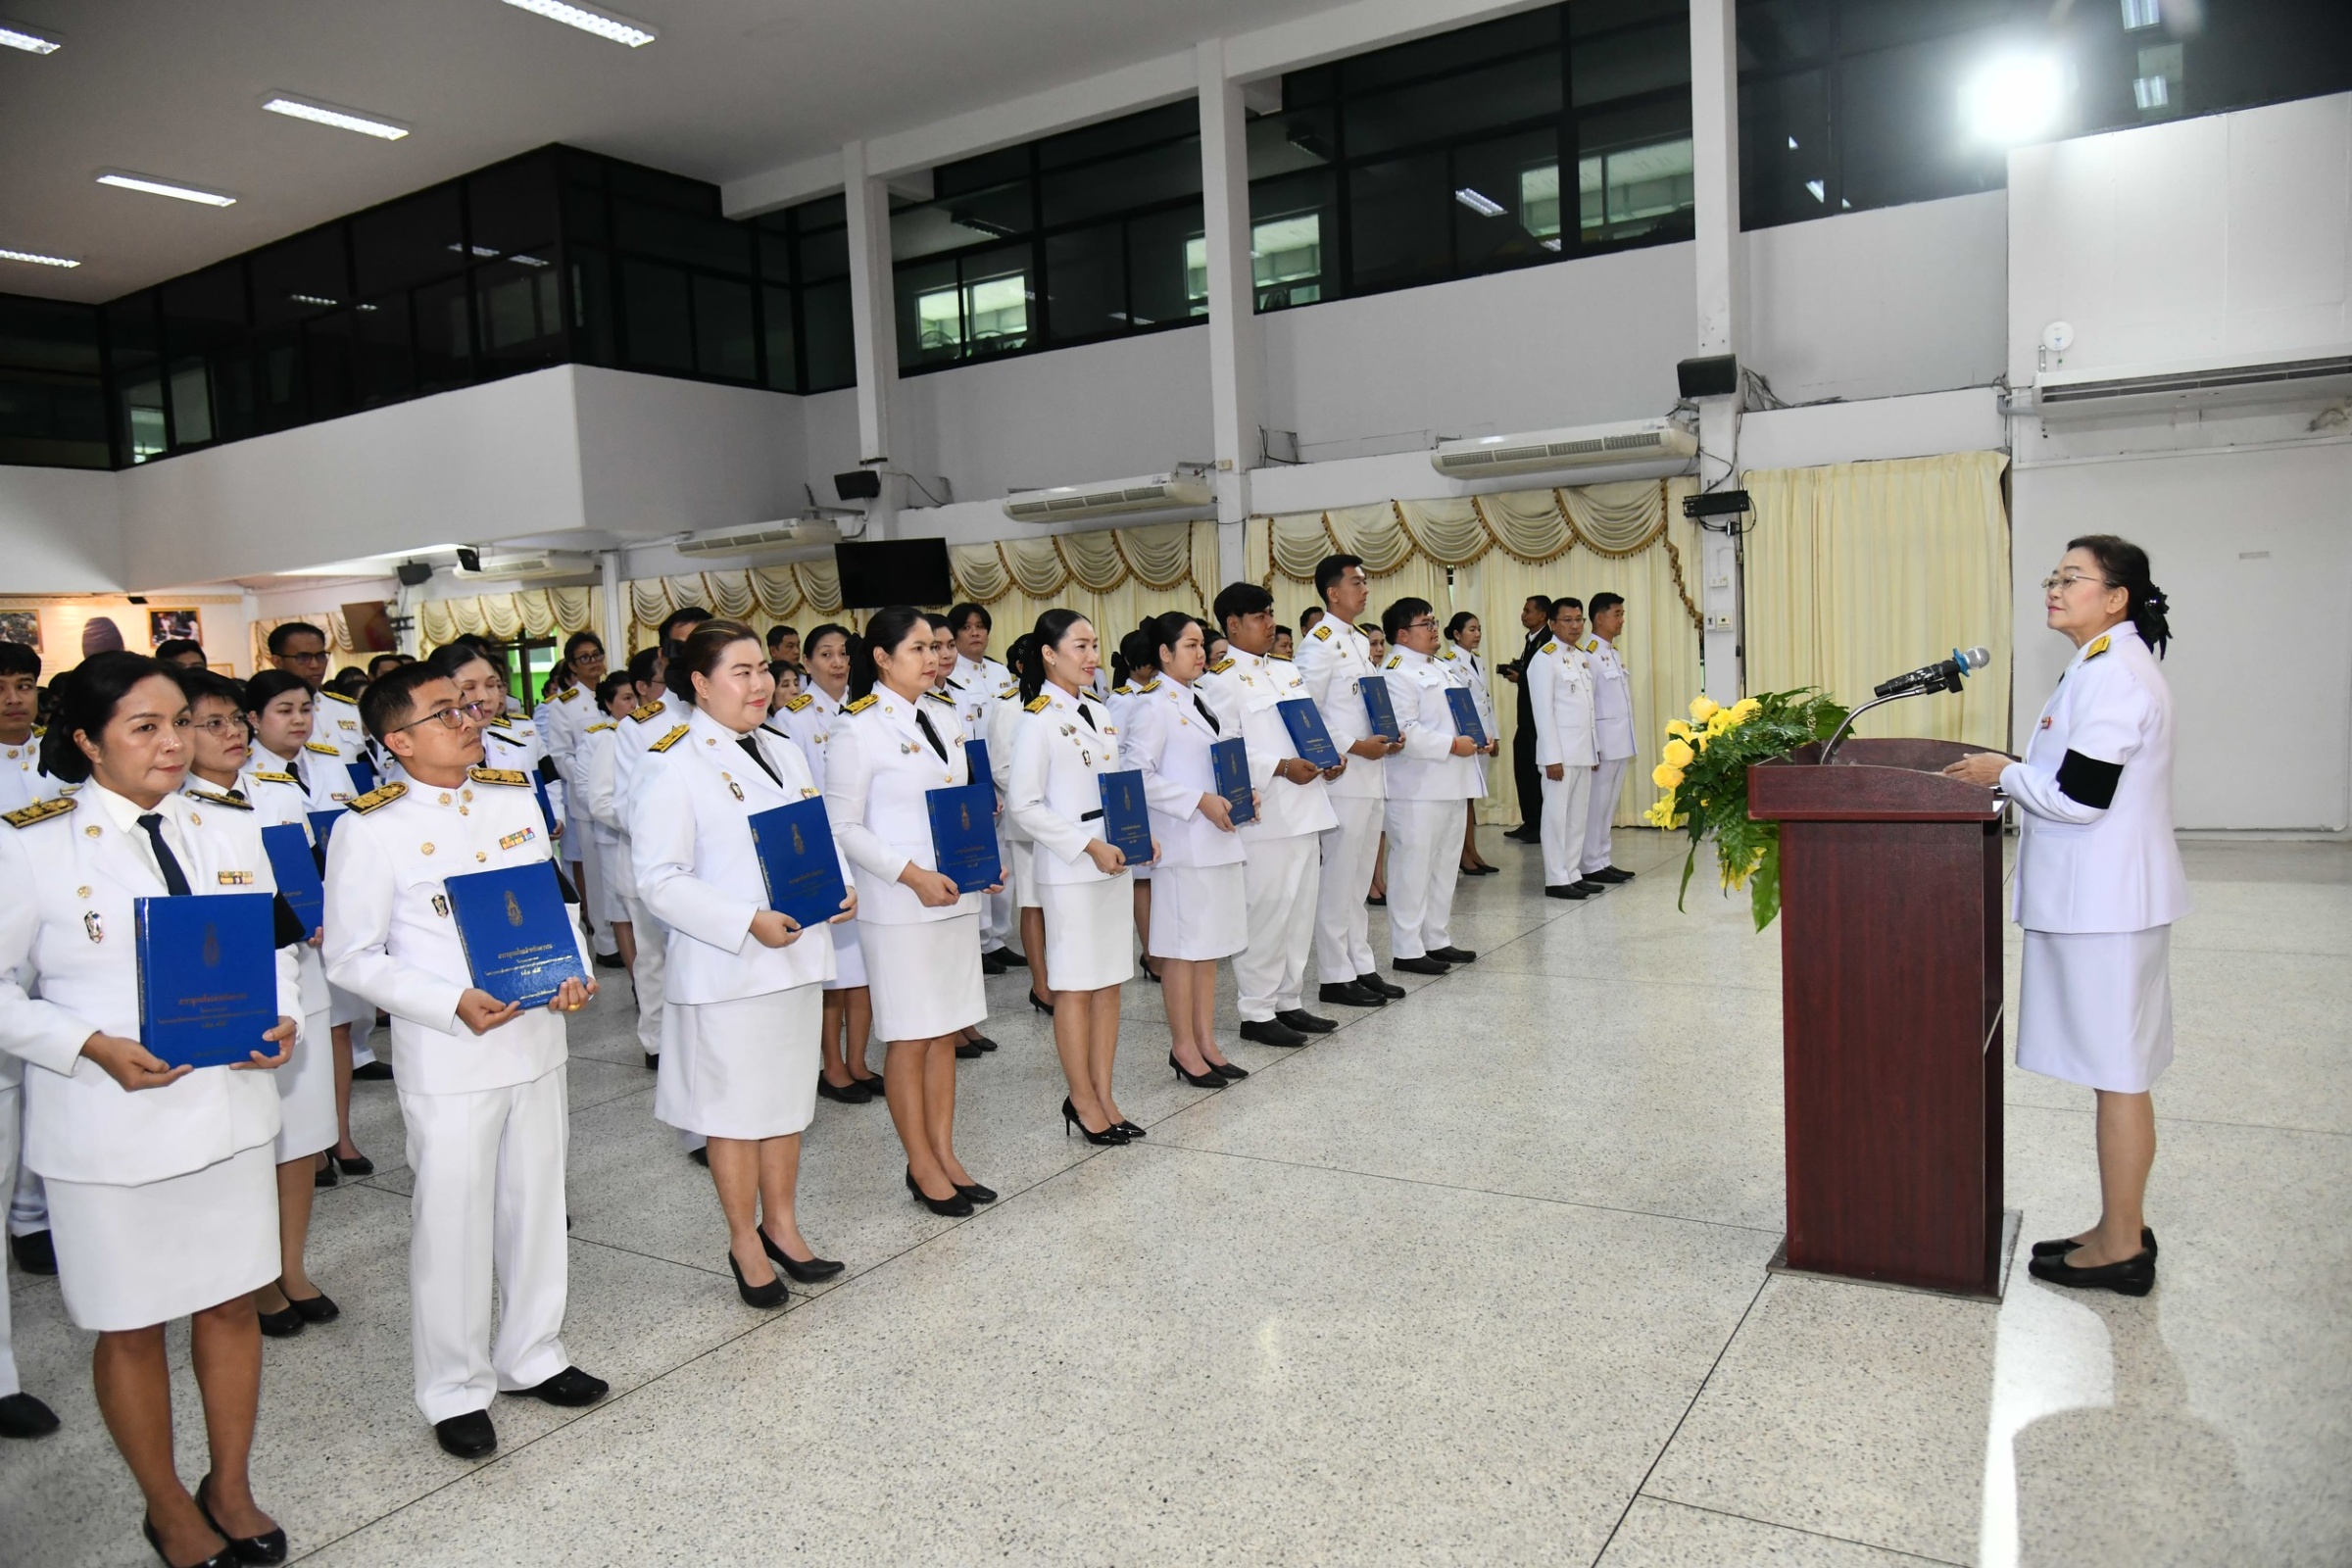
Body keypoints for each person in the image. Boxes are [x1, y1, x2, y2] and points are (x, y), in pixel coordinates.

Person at [0, 652, 301, 1564]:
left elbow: (272, 947)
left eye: (180, 722)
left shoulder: (227, 826)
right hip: (108, 1125)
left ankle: (230, 1485)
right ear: (88, 742)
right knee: (130, 1324)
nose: (172, 743)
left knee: (231, 1306)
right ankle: (166, 1504)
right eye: (144, 727)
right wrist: (87, 1044)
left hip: (228, 1111)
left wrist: (284, 1013)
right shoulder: (32, 844)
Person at [322, 662, 606, 1459]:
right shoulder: (369, 827)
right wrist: (447, 1001)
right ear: (398, 741)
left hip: (536, 1038)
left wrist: (577, 972)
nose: (470, 717)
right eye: (445, 712)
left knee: (536, 1204)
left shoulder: (512, 798)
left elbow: (556, 905)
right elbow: (350, 956)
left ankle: (532, 1354)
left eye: (469, 706)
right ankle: (453, 1388)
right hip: (452, 1053)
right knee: (453, 1223)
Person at [1944, 536, 2184, 1297]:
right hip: (2107, 901)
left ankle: (2121, 1245)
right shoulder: (2100, 663)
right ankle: (2119, 1223)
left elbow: (2081, 797)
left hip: (2107, 907)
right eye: (2054, 576)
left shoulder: (2114, 673)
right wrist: (2016, 773)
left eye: (2072, 578)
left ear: (2115, 598)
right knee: (2118, 1073)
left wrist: (2005, 773)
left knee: (2119, 1075)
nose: (2054, 587)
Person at [633, 621, 851, 1306]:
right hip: (727, 967)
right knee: (732, 1111)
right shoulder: (672, 761)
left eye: (764, 669)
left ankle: (781, 1225)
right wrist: (744, 920)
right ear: (700, 683)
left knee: (785, 1100)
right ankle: (744, 1242)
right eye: (742, 672)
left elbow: (814, 834)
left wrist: (841, 887)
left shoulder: (784, 749)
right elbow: (659, 880)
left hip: (796, 954)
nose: (760, 684)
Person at [180, 668, 342, 1340]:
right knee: (242, 1145)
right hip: (221, 990)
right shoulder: (170, 814)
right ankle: (249, 1280)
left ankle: (290, 1267)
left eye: (234, 721)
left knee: (299, 1135)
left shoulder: (275, 791)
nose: (231, 734)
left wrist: (325, 914)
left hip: (294, 977)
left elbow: (305, 878)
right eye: (210, 723)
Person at [824, 608, 1000, 1216]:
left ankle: (945, 1153)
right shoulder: (857, 729)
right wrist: (912, 875)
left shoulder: (945, 714)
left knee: (944, 1031)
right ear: (882, 657)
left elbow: (960, 804)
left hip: (954, 895)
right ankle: (920, 1164)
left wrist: (984, 864)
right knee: (910, 1034)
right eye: (919, 648)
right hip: (899, 903)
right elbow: (842, 826)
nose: (934, 658)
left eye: (935, 647)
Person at [1009, 611, 1144, 1141]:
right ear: (1049, 654)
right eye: (1080, 647)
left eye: (1094, 645)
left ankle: (1105, 1094)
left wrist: (1139, 834)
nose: (1092, 657)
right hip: (1071, 869)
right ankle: (1081, 1099)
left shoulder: (1099, 710)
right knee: (1074, 986)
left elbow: (1114, 789)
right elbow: (1024, 805)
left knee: (1109, 983)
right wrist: (1088, 846)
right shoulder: (1037, 719)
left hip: (1114, 864)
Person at [1200, 583, 1344, 1050]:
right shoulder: (1218, 681)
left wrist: (1330, 756)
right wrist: (1279, 767)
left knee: (1299, 912)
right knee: (1267, 912)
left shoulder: (1286, 670)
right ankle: (1257, 1010)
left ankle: (1288, 999)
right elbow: (1224, 748)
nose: (1270, 623)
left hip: (1307, 808)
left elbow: (1308, 728)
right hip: (1267, 813)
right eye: (1260, 617)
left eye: (1270, 614)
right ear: (1233, 624)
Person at [246, 669, 383, 1150]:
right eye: (284, 711)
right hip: (286, 925)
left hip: (335, 912)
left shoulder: (329, 762)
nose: (298, 720)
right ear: (254, 718)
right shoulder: (240, 775)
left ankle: (340, 1136)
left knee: (339, 1026)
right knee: (296, 1027)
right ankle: (303, 1147)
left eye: (305, 709)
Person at [1123, 612, 1250, 1086]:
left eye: (1202, 645)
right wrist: (1197, 799)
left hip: (1216, 840)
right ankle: (1183, 1047)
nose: (1201, 654)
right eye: (1191, 646)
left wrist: (1244, 794)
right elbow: (1136, 775)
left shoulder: (1201, 698)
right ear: (1165, 652)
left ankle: (1206, 1041)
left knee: (1208, 948)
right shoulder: (1152, 706)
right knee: (1181, 951)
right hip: (1182, 846)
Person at [774, 623, 883, 1101]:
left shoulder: (866, 710)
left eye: (843, 653)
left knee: (865, 969)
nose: (837, 663)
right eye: (825, 654)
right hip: (823, 857)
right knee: (833, 974)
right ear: (807, 663)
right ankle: (833, 1066)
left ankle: (858, 1060)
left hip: (866, 852)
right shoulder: (793, 719)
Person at [1295, 556, 1404, 1011]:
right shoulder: (1318, 645)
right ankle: (1335, 975)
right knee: (1339, 878)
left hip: (1371, 773)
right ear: (1333, 592)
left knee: (1360, 879)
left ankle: (1361, 964)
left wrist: (1388, 734)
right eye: (1356, 583)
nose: (1364, 590)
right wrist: (1353, 745)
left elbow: (1366, 703)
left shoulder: (1359, 640)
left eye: (1365, 582)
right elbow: (1306, 710)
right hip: (1343, 775)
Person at [613, 610, 711, 1074]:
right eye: (683, 646)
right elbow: (621, 805)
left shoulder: (735, 715)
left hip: (717, 866)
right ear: (664, 654)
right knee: (654, 957)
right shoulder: (641, 726)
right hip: (660, 863)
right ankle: (657, 1041)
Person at [1379, 598, 1487, 973]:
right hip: (1417, 787)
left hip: (1452, 781)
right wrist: (1452, 745)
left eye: (1434, 621)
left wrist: (1477, 737)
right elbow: (1403, 729)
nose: (1434, 629)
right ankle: (1407, 948)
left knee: (1444, 864)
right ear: (1402, 634)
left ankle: (1436, 937)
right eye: (1425, 624)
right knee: (1413, 866)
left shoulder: (1439, 666)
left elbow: (1458, 715)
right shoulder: (1395, 672)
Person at [0, 642, 58, 1282]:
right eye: (1, 687)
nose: (14, 699)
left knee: (54, 1077)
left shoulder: (60, 761)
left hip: (60, 940)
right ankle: (20, 1214)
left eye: (23, 685)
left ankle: (36, 1211)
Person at [989, 633, 1054, 1014]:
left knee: (1059, 901)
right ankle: (1041, 985)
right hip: (1029, 822)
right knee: (1033, 901)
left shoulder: (1062, 703)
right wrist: (1043, 797)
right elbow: (1001, 767)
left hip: (1066, 823)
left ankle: (1062, 976)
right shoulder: (1009, 707)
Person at [1529, 598, 1606, 902]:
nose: (1575, 626)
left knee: (1576, 818)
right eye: (1568, 620)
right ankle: (1556, 878)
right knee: (1556, 818)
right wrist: (1551, 758)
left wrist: (1594, 750)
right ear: (1552, 624)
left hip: (1582, 752)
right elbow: (1543, 712)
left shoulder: (1579, 657)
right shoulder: (1544, 659)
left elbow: (1587, 709)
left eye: (1579, 620)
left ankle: (1572, 872)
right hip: (1559, 755)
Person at [579, 673, 642, 986]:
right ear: (608, 703)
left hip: (644, 837)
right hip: (614, 835)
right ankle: (636, 981)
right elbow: (589, 791)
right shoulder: (603, 738)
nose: (633, 705)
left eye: (635, 697)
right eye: (626, 699)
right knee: (620, 908)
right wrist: (636, 824)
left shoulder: (648, 731)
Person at [1106, 630, 1162, 982]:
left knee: (1159, 879)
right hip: (1136, 798)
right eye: (1146, 661)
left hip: (1159, 796)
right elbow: (1116, 755)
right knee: (1143, 880)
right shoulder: (1122, 700)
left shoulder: (1159, 695)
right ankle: (1150, 952)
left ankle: (1163, 948)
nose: (1151, 667)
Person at [1578, 593, 1638, 885]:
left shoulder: (1612, 652)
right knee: (1596, 806)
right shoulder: (1589, 655)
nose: (1622, 619)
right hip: (1602, 744)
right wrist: (1592, 746)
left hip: (1619, 742)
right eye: (1617, 614)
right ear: (1599, 618)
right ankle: (1589, 863)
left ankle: (1602, 859)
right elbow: (1586, 704)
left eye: (1622, 614)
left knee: (1609, 805)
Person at [1446, 612, 1500, 876]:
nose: (1477, 634)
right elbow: (1457, 706)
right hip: (1466, 740)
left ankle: (1472, 850)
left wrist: (1494, 735)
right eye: (1471, 629)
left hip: (1483, 739)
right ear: (1457, 634)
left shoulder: (1477, 660)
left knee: (1472, 798)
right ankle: (1463, 854)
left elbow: (1486, 701)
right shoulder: (1449, 662)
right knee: (1464, 799)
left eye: (1479, 629)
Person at [1496, 595, 1553, 843]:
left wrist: (1521, 679)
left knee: (1535, 773)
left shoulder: (1548, 641)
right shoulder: (1532, 639)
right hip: (1527, 718)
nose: (1523, 614)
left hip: (1538, 719)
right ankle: (1530, 820)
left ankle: (1539, 824)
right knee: (1524, 770)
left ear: (1542, 615)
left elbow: (1548, 679)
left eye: (1528, 610)